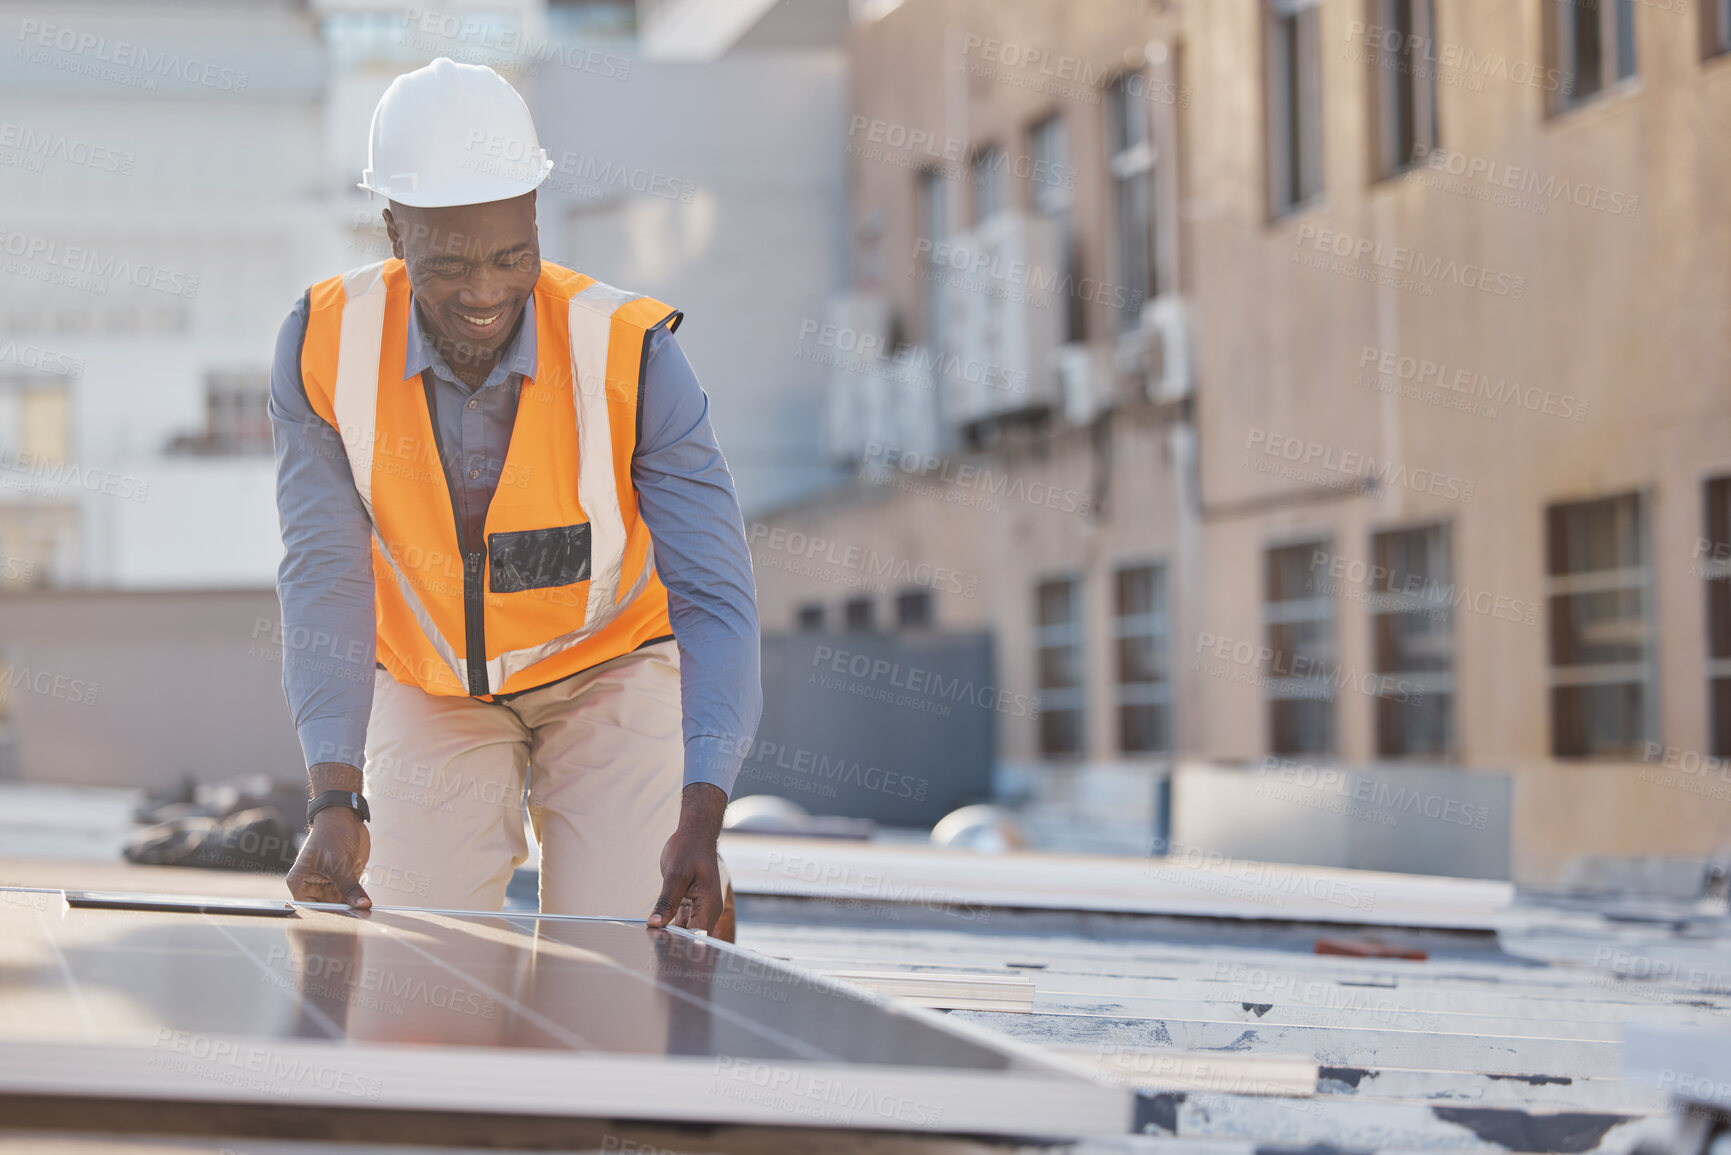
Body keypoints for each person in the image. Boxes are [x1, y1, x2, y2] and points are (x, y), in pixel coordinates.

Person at [268, 57, 760, 938]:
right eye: (449, 261)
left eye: (510, 255)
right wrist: (334, 793)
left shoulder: (633, 353)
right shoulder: (322, 345)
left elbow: (716, 598)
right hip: (432, 684)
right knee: (411, 963)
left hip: (609, 669)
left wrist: (702, 811)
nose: (485, 291)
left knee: (625, 957)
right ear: (393, 231)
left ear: (537, 214)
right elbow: (326, 578)